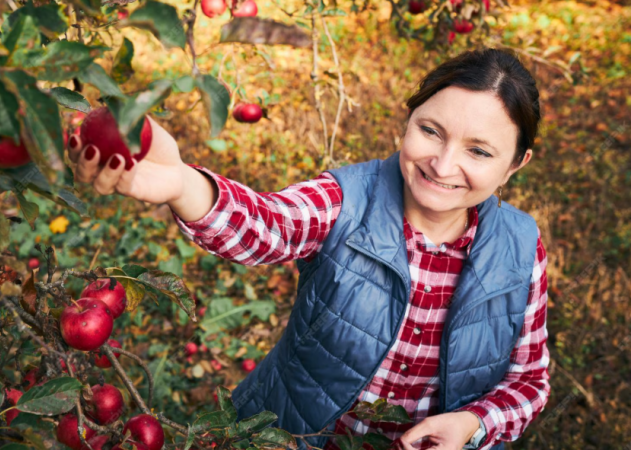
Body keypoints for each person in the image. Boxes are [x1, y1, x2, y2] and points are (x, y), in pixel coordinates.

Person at [65, 47, 550, 450]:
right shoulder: (346, 202)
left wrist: (473, 424)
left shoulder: (522, 250)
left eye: (478, 151)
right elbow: (266, 225)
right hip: (294, 436)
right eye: (430, 131)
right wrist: (181, 184)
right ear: (409, 118)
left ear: (516, 164)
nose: (442, 165)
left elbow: (528, 382)